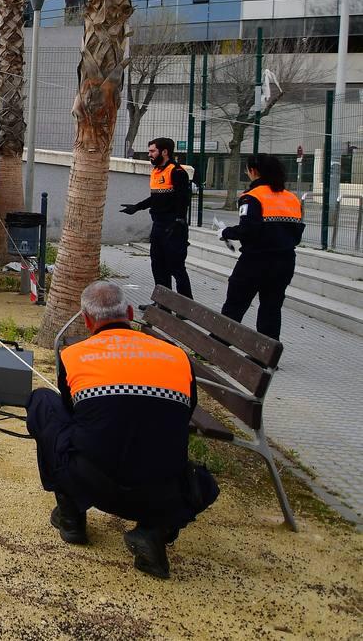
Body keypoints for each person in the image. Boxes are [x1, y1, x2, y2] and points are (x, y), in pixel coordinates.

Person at [26, 280, 219, 580]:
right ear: (129, 312)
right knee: (205, 483)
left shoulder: (74, 356)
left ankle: (71, 516)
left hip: (93, 481)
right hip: (163, 490)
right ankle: (152, 530)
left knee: (43, 402)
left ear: (87, 320)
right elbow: (186, 411)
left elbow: (71, 413)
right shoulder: (176, 357)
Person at [218, 154, 303, 341]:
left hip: (255, 261)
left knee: (236, 303)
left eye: (247, 169)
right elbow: (297, 232)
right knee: (271, 307)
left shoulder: (251, 197)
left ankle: (220, 344)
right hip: (285, 261)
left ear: (253, 171)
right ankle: (267, 354)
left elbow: (248, 230)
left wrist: (226, 232)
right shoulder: (292, 198)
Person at [120, 137, 192, 299]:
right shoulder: (157, 172)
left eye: (152, 151)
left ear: (164, 152)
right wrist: (136, 207)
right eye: (149, 151)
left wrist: (179, 220)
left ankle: (186, 308)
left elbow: (183, 199)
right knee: (158, 266)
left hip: (173, 228)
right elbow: (156, 198)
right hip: (158, 226)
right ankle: (163, 304)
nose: (149, 154)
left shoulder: (177, 172)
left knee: (176, 268)